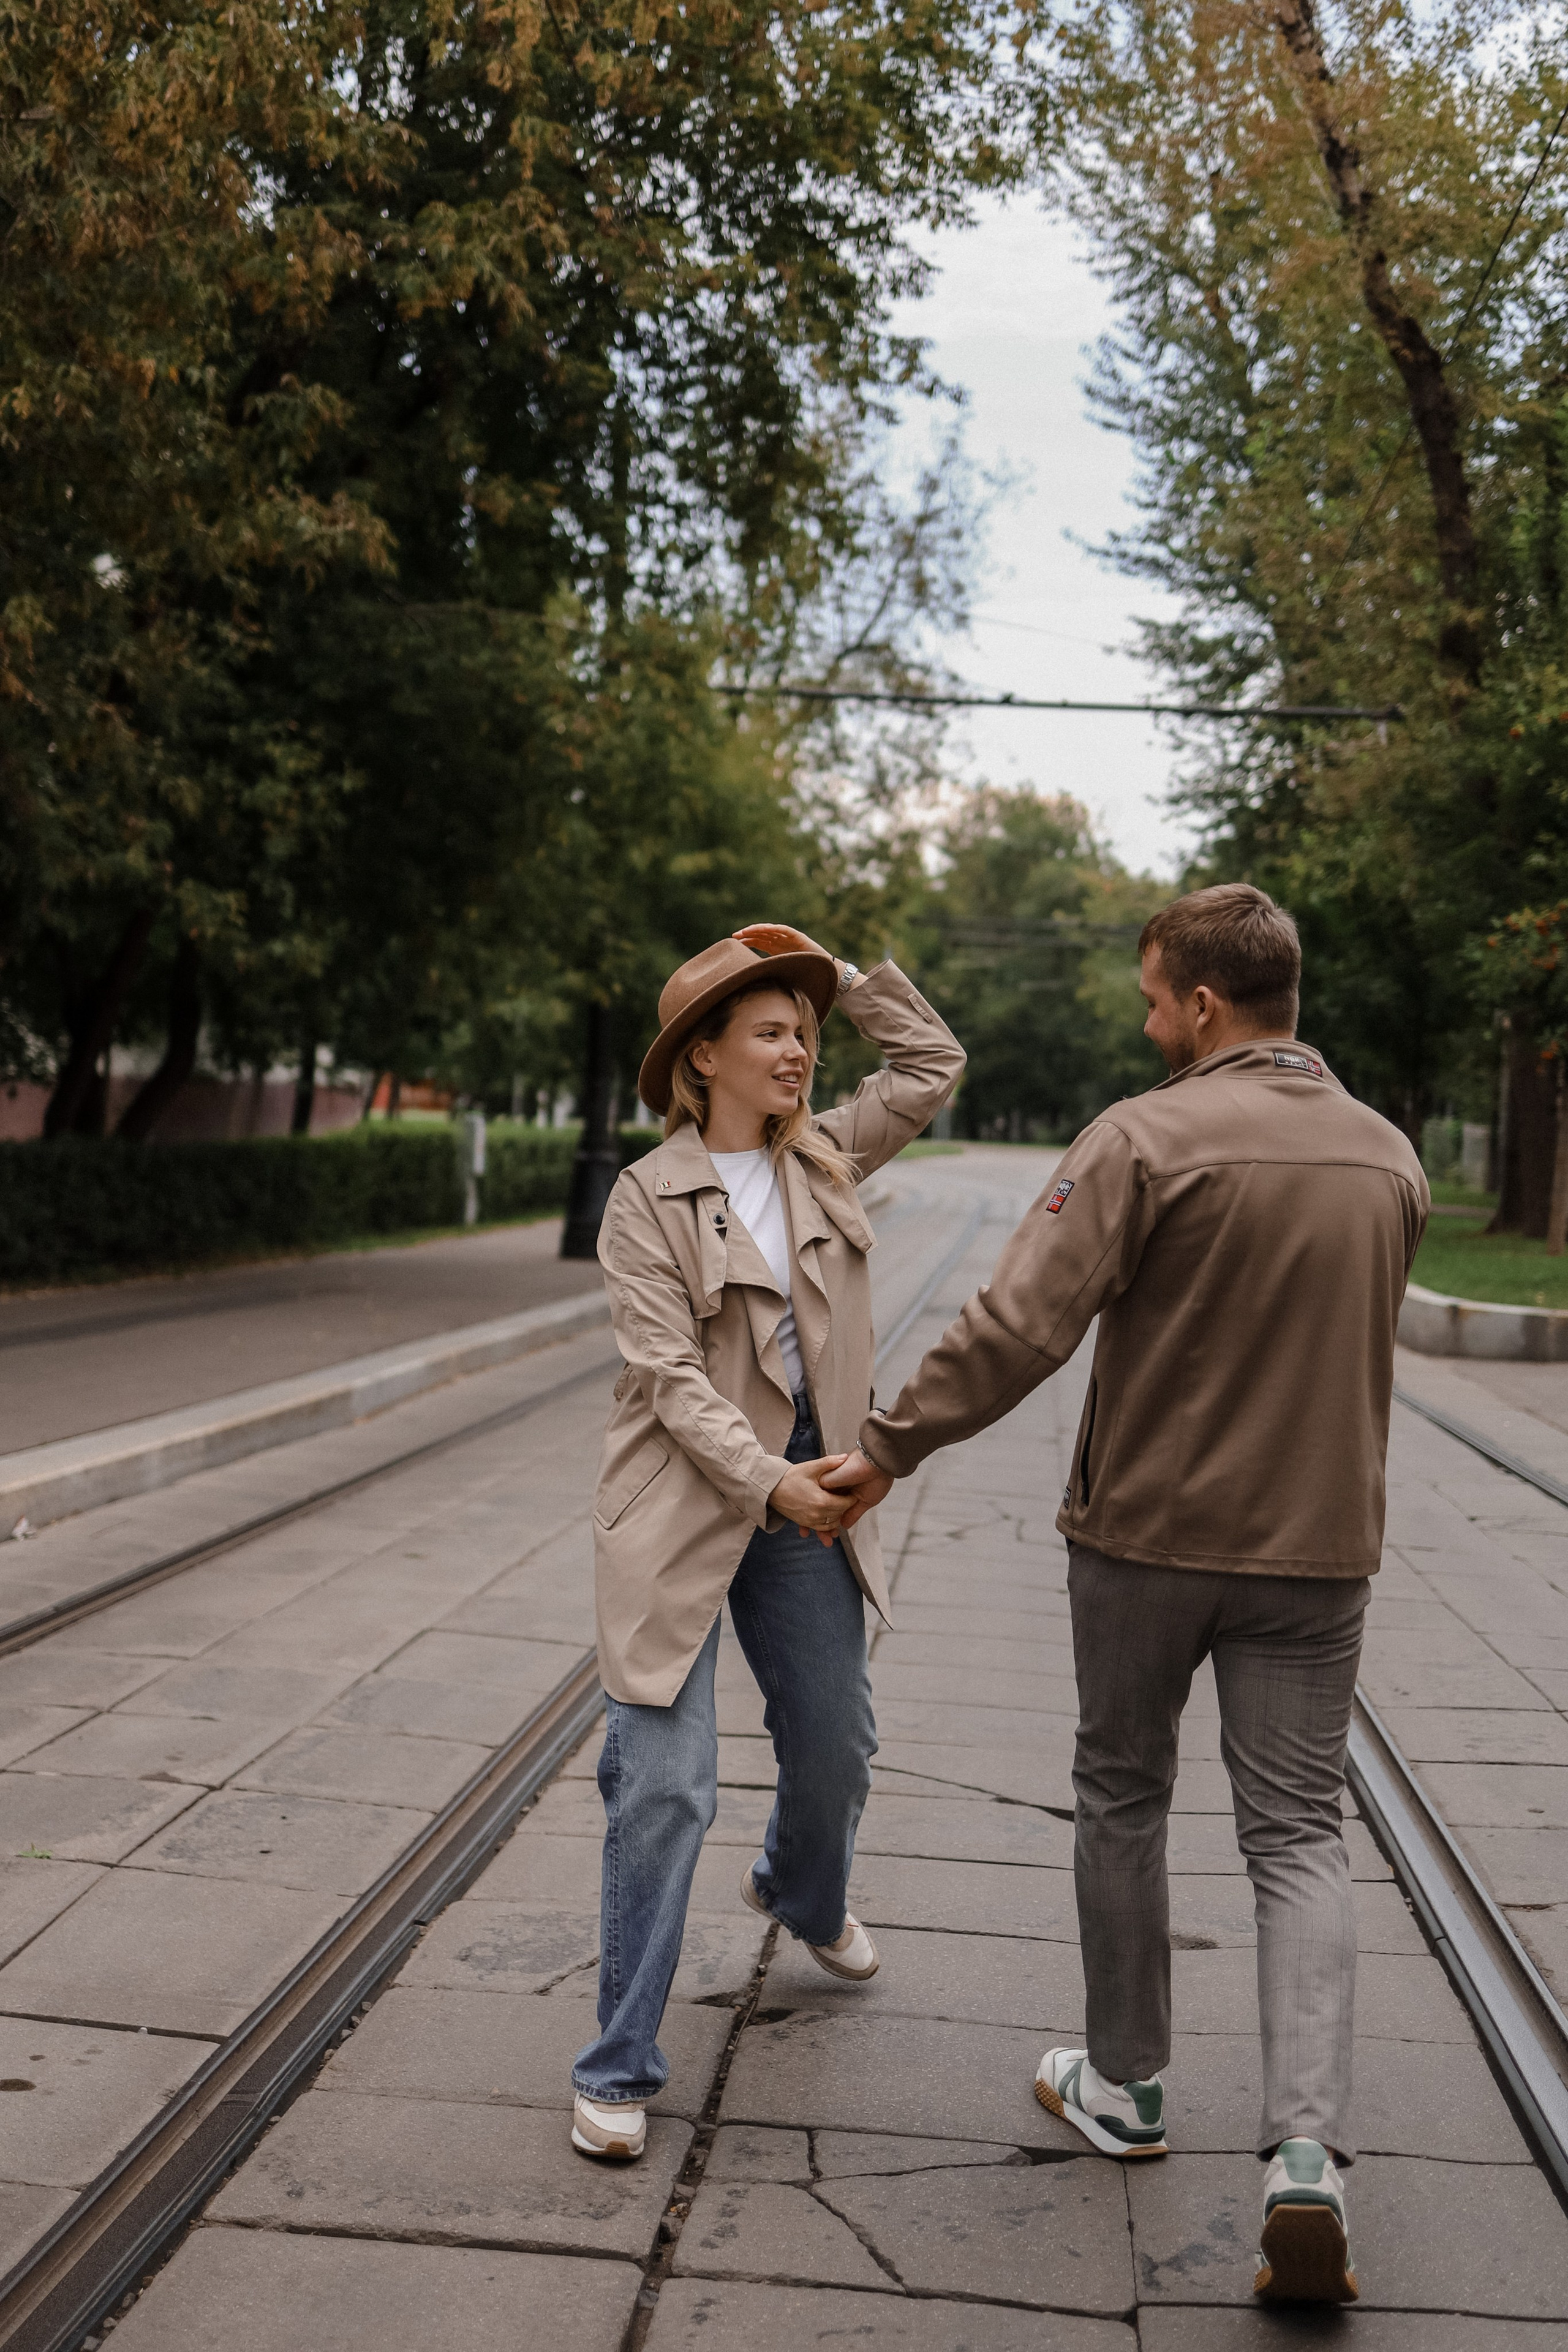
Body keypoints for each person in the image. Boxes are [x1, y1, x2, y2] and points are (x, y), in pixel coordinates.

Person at [824, 883, 1428, 2306]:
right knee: (1298, 1835)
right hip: (1318, 1549)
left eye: (1156, 999)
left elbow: (1017, 1325)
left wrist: (889, 1447)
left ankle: (1129, 2088)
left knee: (1121, 1793)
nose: (1147, 1020)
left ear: (1205, 1006)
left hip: (1146, 1542)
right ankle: (1303, 2156)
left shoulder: (1140, 1137)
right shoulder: (1387, 1159)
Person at [569, 921, 965, 2163]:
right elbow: (673, 1383)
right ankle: (617, 2066)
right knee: (666, 1784)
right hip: (686, 1505)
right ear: (703, 1059)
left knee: (837, 1746)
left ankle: (802, 1895)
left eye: (802, 1034)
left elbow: (928, 1067)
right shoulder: (644, 1198)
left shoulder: (828, 1160)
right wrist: (775, 1485)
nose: (796, 1051)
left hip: (808, 1496)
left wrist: (829, 976)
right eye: (770, 1031)